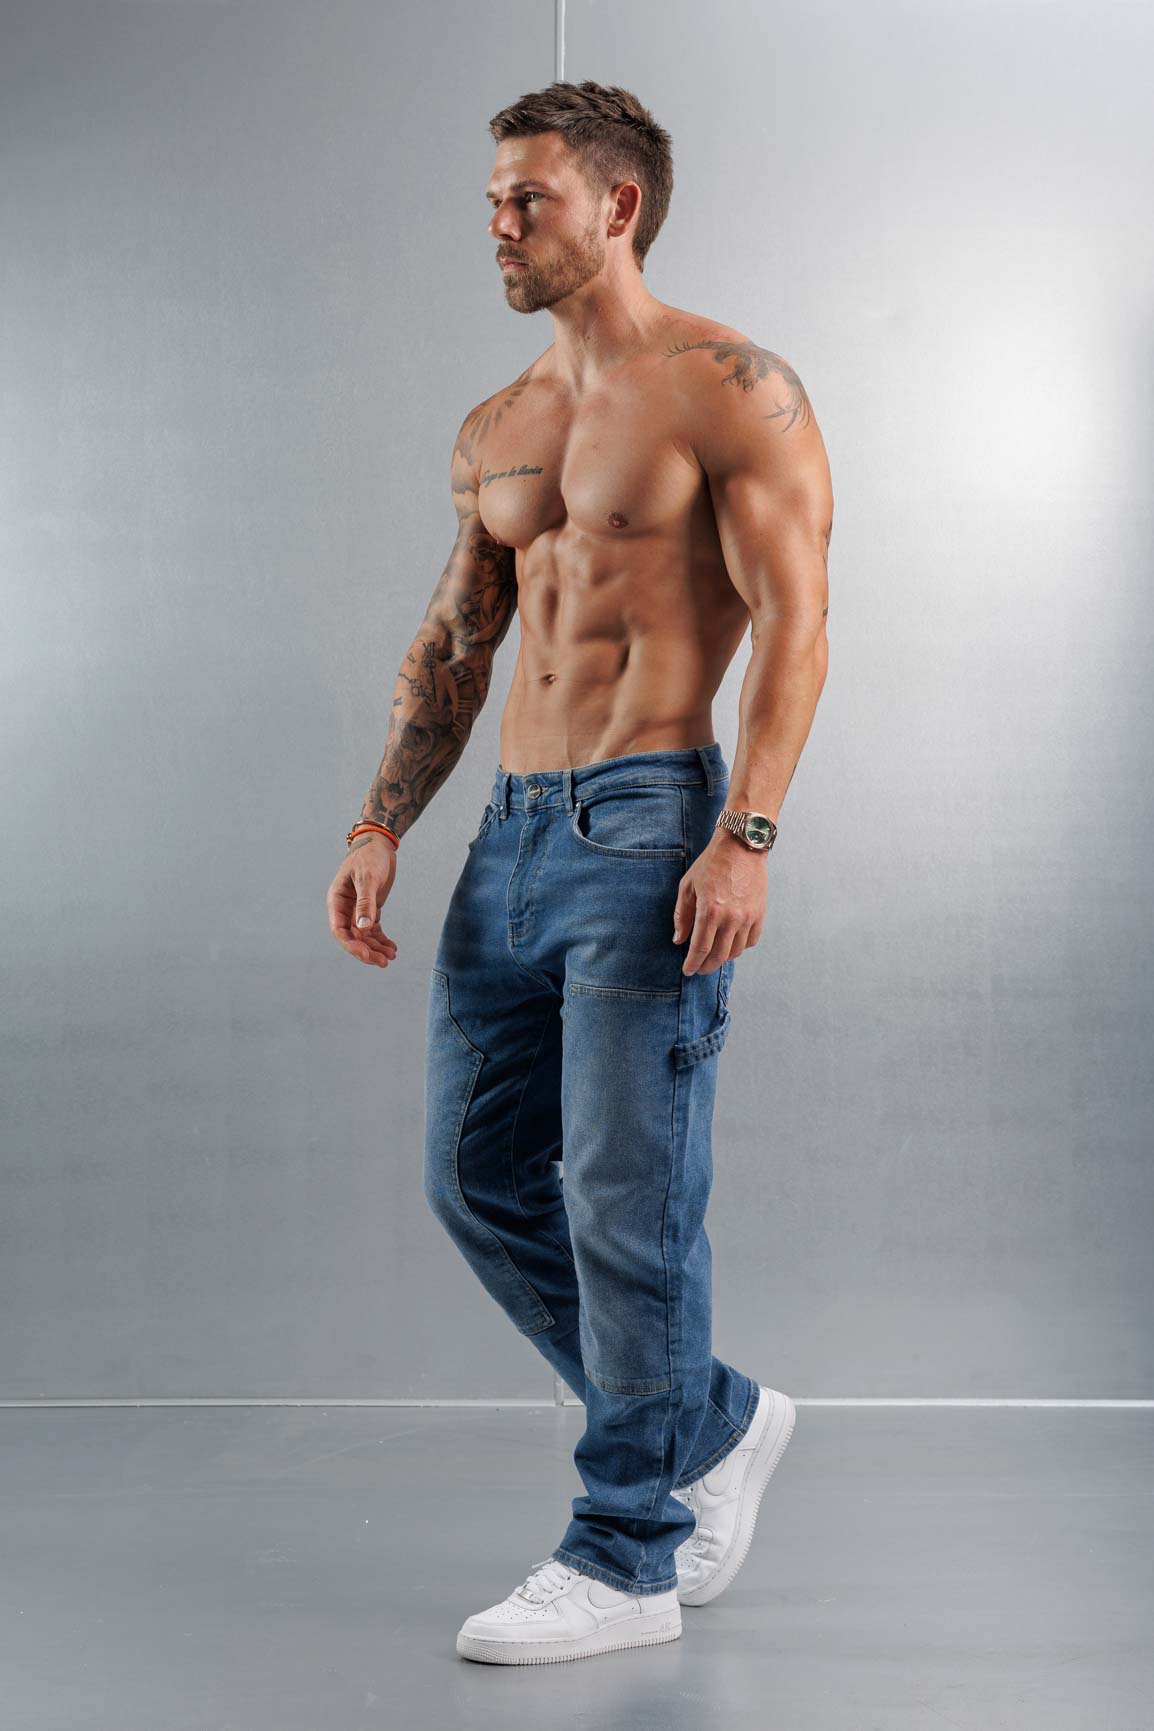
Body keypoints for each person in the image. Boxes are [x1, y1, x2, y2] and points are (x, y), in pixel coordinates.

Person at [326, 78, 832, 1666]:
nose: (496, 222)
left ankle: (623, 1553)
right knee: (473, 1178)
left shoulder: (729, 388)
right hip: (511, 834)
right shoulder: (499, 424)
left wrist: (745, 834)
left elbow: (799, 623)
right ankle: (712, 1420)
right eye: (490, 197)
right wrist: (380, 818)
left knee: (626, 1199)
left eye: (525, 197)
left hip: (647, 823)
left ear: (615, 206)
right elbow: (456, 640)